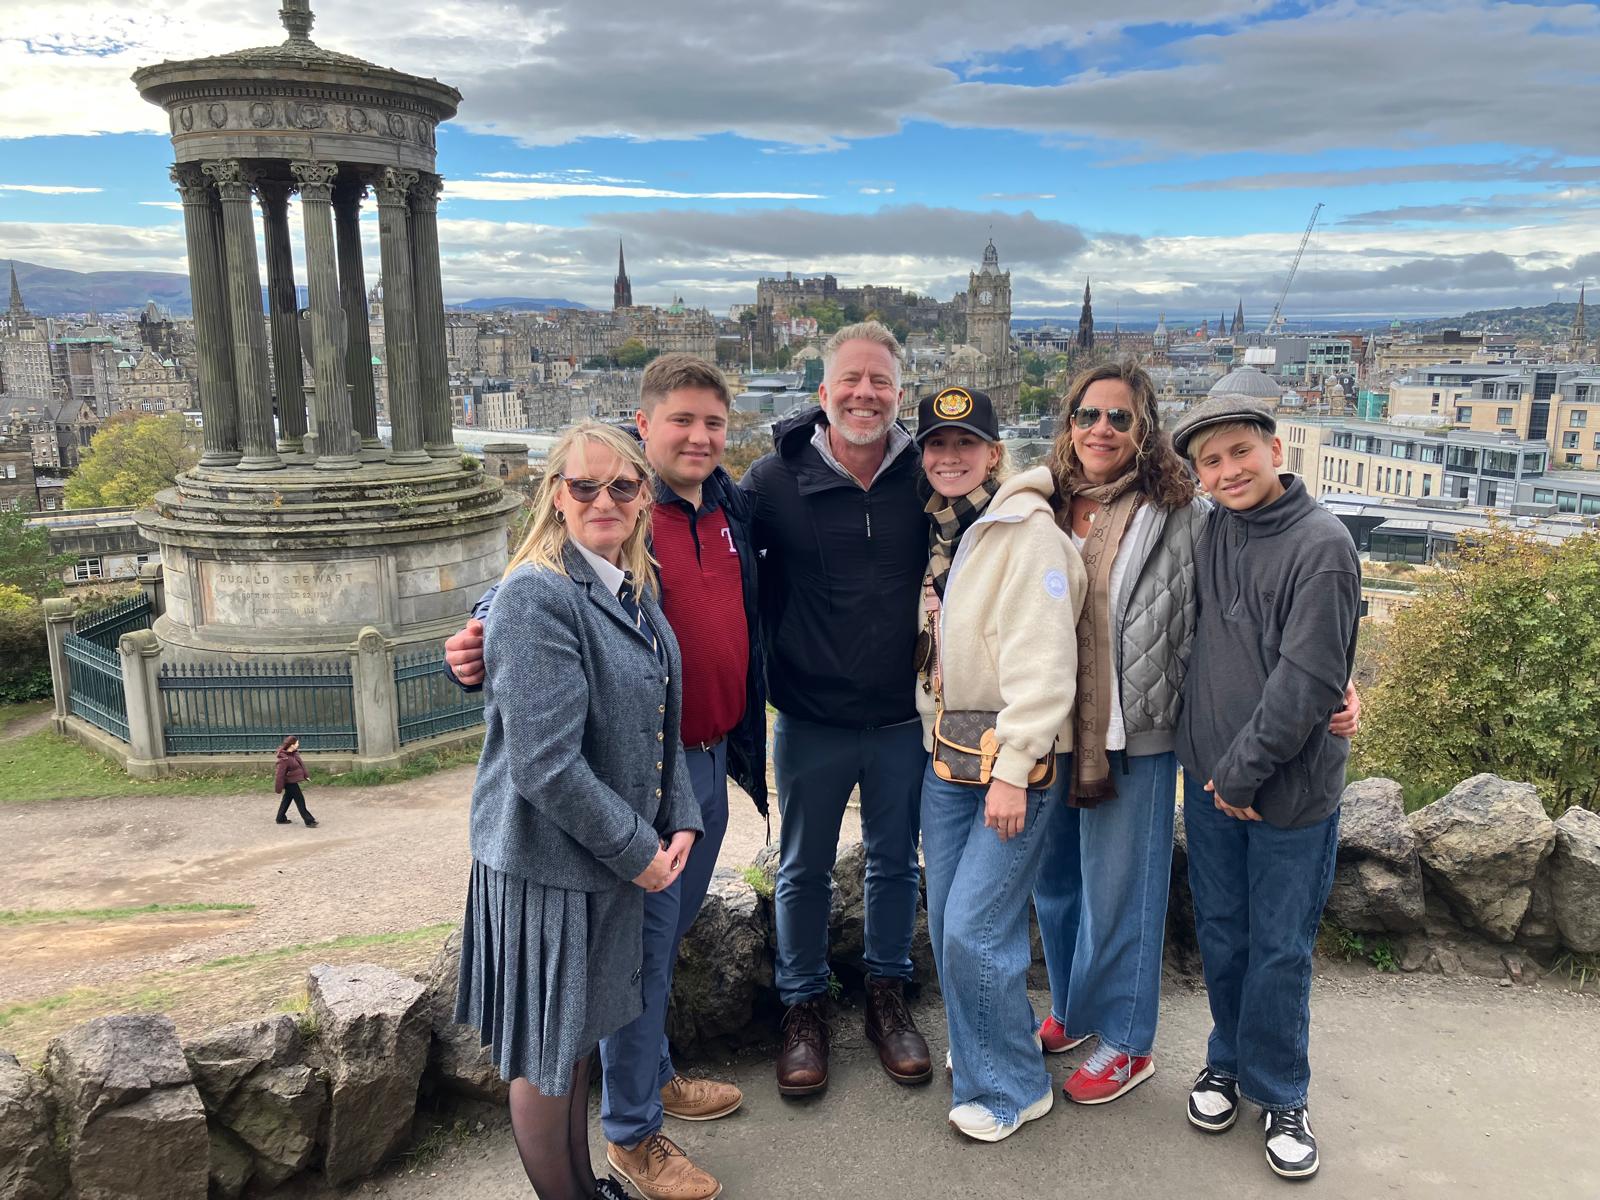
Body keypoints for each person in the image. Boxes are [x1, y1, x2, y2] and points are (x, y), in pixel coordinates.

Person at [445, 354, 764, 1200]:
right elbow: (544, 755)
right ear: (557, 491)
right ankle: (623, 1148)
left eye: (620, 491)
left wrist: (682, 812)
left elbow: (660, 698)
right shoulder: (536, 591)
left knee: (603, 1005)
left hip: (674, 791)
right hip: (560, 854)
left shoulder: (677, 551)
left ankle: (616, 1142)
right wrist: (640, 847)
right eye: (586, 487)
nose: (606, 502)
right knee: (557, 1041)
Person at [1031, 363, 1360, 1109]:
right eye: (1088, 415)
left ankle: (1133, 1041)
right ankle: (1079, 1008)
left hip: (1141, 729)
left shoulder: (1187, 509)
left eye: (1120, 417)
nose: (1102, 430)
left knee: (1129, 894)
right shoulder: (1043, 501)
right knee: (1059, 887)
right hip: (1055, 728)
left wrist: (1336, 681)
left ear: (1144, 428)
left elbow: (1288, 602)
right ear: (1068, 423)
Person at [1170, 396, 1362, 1181]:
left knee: (1279, 949)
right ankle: (1227, 1057)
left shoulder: (1323, 545)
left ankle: (1282, 1090)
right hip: (1213, 781)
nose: (1228, 471)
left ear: (1275, 448)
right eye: (1210, 462)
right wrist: (1215, 773)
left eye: (1240, 453)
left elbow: (1308, 679)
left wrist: (1243, 774)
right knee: (1223, 933)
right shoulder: (1212, 527)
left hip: (1286, 793)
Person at [743, 321, 932, 1096]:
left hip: (900, 714)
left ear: (899, 394)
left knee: (896, 865)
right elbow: (675, 532)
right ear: (823, 394)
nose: (865, 394)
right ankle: (804, 1007)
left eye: (880, 382)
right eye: (850, 381)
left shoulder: (930, 475)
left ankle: (887, 997)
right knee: (802, 871)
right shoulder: (771, 480)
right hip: (811, 712)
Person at [912, 386, 1085, 1142]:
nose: (950, 457)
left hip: (1014, 765)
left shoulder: (1028, 534)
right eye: (937, 445)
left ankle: (1013, 1086)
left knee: (975, 927)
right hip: (945, 756)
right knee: (953, 919)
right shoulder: (944, 531)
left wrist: (1014, 767)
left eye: (966, 443)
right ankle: (988, 1048)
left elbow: (1048, 666)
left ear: (993, 452)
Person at [273, 735, 316, 827]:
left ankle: (280, 818)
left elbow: (301, 765)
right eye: (297, 743)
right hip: (289, 783)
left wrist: (306, 775)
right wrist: (278, 788)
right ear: (291, 745)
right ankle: (309, 821)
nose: (298, 745)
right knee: (300, 800)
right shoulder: (284, 759)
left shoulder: (294, 754)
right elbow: (279, 775)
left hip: (293, 781)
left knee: (287, 799)